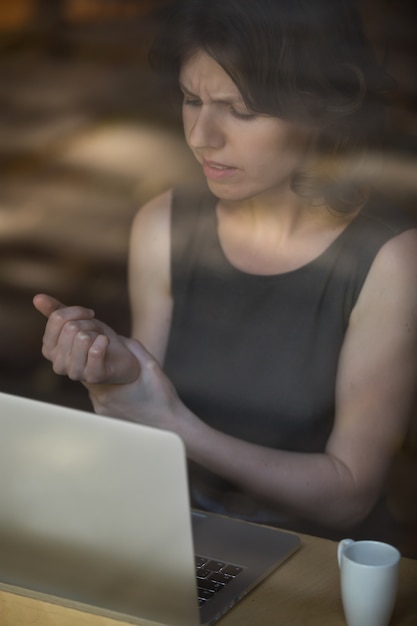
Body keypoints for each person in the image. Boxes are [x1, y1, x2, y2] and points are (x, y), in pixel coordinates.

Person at [33, 0, 417, 541]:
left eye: (241, 110)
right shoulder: (163, 225)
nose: (201, 136)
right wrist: (111, 376)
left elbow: (347, 497)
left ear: (320, 106)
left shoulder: (389, 259)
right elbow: (142, 435)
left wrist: (176, 426)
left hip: (316, 567)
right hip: (180, 540)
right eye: (193, 100)